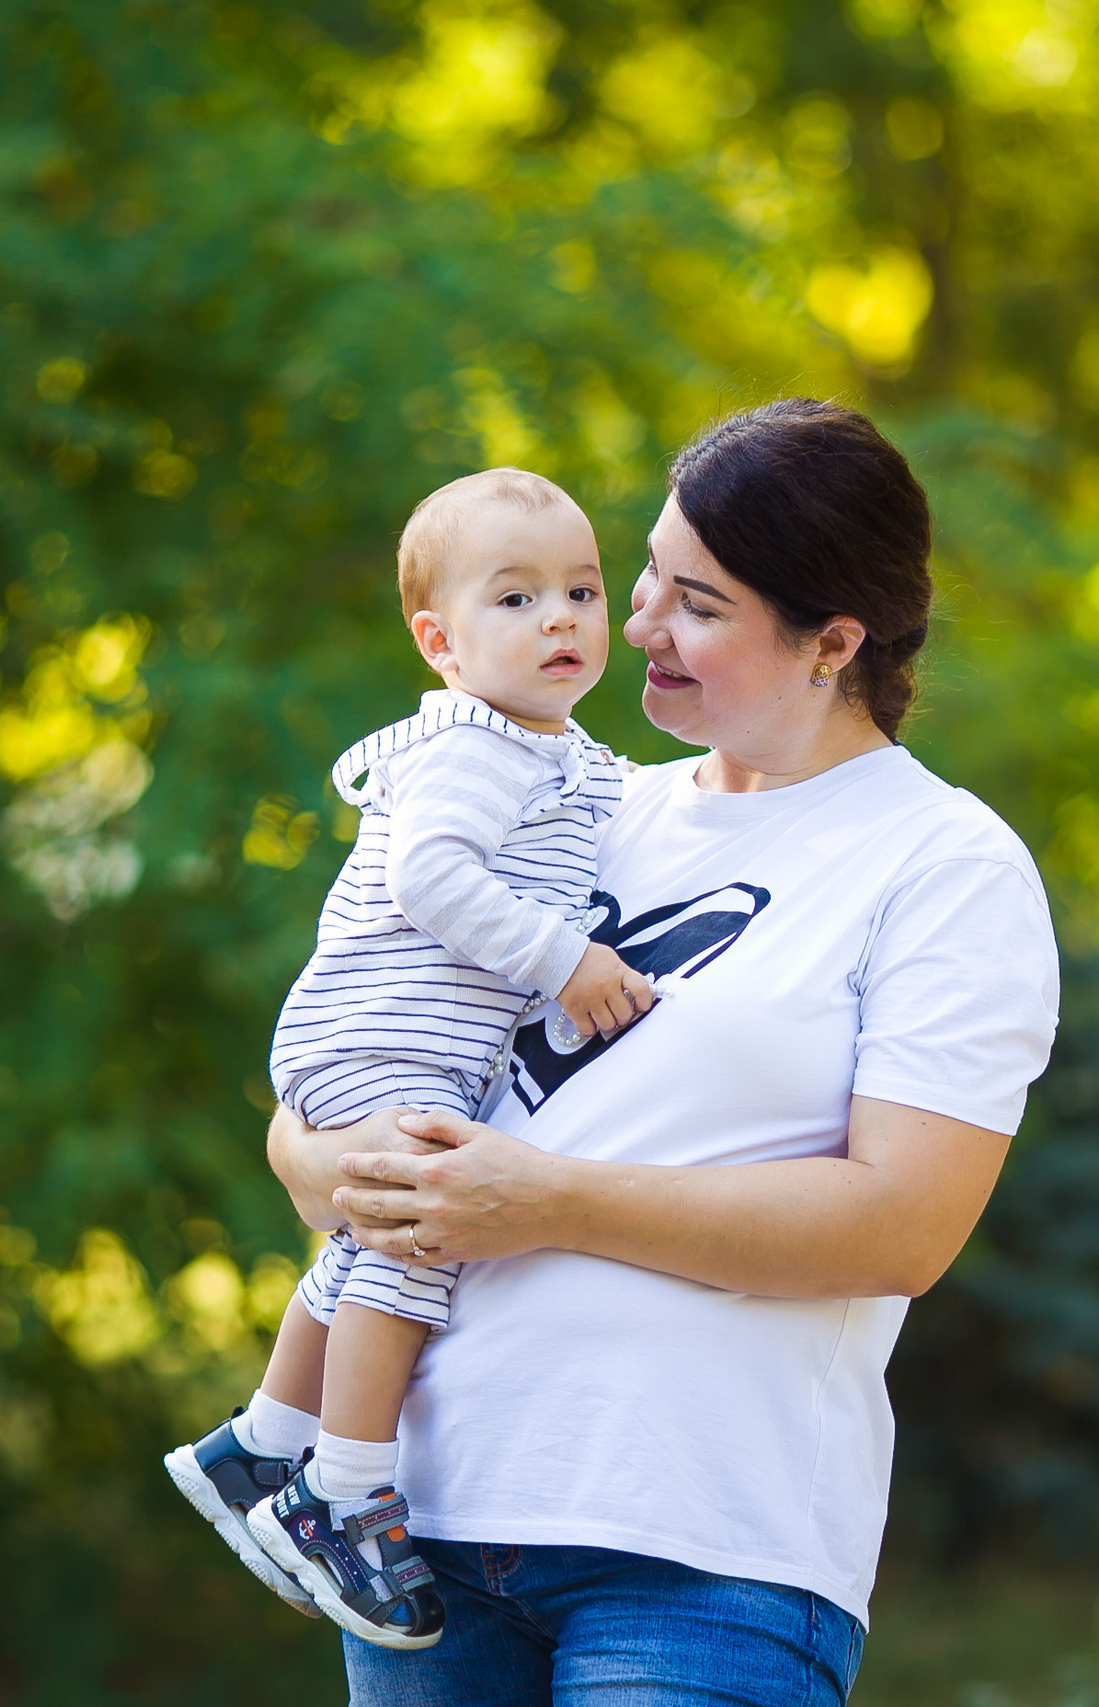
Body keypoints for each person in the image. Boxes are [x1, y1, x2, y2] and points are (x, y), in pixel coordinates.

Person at [265, 398, 1063, 1704]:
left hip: (701, 1551)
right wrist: (317, 1145)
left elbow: (901, 1223)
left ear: (833, 641)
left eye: (693, 601)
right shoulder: (571, 803)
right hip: (423, 1529)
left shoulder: (942, 864)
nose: (629, 622)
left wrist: (547, 1198)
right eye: (639, 574)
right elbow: (353, 1055)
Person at [164, 467, 657, 1650]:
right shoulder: (471, 749)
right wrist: (564, 958)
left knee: (373, 1233)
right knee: (420, 1236)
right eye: (516, 598)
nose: (559, 619)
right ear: (437, 641)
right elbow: (426, 878)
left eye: (581, 591)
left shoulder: (557, 750)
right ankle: (342, 1493)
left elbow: (612, 806)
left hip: (407, 1044)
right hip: (375, 1032)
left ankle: (261, 1447)